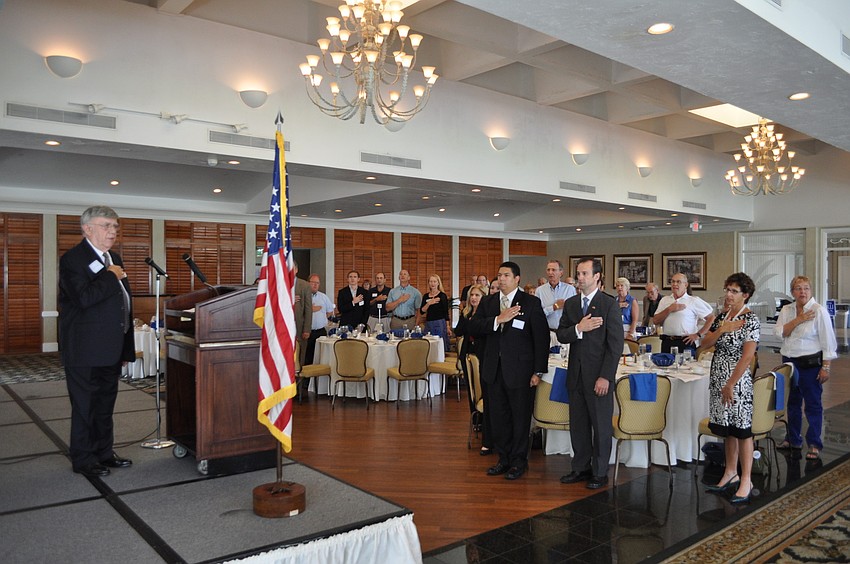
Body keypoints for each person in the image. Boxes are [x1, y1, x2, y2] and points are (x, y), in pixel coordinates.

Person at [58, 205, 135, 477]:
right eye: (106, 226)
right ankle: (84, 459)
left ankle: (104, 452)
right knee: (84, 406)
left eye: (115, 226)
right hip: (84, 349)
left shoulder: (113, 257)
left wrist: (125, 346)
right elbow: (84, 298)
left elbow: (122, 306)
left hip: (111, 349)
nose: (112, 231)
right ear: (87, 228)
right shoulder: (73, 260)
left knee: (104, 405)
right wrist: (110, 275)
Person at [468, 262, 549, 481]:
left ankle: (518, 462)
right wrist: (497, 320)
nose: (501, 279)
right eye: (499, 275)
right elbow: (473, 327)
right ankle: (503, 459)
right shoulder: (488, 302)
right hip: (494, 370)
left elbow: (541, 339)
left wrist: (538, 371)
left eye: (506, 275)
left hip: (521, 372)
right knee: (499, 417)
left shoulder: (530, 303)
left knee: (520, 418)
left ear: (517, 279)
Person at [557, 258, 623, 489]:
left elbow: (615, 345)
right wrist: (578, 329)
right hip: (575, 375)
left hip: (599, 377)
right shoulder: (572, 304)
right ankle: (580, 467)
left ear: (597, 276)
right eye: (578, 273)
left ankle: (600, 471)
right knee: (579, 425)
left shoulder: (608, 304)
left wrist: (606, 376)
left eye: (585, 273)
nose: (580, 278)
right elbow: (562, 335)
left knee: (601, 426)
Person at [699, 272, 760, 503]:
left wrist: (731, 384)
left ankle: (746, 479)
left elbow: (747, 357)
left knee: (742, 431)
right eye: (727, 290)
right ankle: (730, 472)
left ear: (745, 295)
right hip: (718, 379)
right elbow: (703, 344)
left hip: (737, 383)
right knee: (727, 429)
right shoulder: (722, 317)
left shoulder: (750, 320)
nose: (728, 295)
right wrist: (722, 329)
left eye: (734, 291)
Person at [775, 275, 837, 460]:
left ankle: (814, 443)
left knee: (812, 404)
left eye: (806, 288)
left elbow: (828, 342)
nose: (802, 292)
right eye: (798, 288)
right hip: (789, 362)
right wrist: (799, 319)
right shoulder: (787, 309)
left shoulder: (819, 311)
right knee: (792, 403)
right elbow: (780, 333)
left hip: (810, 365)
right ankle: (793, 439)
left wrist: (826, 367)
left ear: (811, 291)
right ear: (792, 292)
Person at [453, 284, 491, 455]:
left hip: (482, 354)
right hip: (468, 354)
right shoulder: (466, 313)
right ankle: (476, 420)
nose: (474, 298)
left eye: (477, 295)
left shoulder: (487, 315)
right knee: (472, 390)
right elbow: (458, 331)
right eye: (472, 295)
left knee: (485, 388)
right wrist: (465, 319)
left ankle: (486, 422)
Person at [652, 273, 715, 353]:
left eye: (678, 282)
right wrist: (669, 309)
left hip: (685, 342)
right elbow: (655, 320)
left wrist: (698, 335)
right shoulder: (665, 300)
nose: (675, 284)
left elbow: (711, 318)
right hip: (667, 341)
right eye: (673, 281)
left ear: (685, 285)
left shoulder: (693, 300)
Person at [536, 259, 577, 332]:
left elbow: (575, 312)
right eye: (548, 270)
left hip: (566, 332)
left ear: (561, 273)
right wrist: (554, 307)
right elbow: (537, 314)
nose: (550, 272)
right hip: (548, 332)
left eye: (553, 270)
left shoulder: (570, 289)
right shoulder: (540, 291)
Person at [306, 274, 334, 367]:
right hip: (307, 332)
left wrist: (321, 318)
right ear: (308, 283)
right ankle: (307, 380)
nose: (315, 285)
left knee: (321, 357)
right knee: (308, 357)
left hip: (321, 331)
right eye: (313, 282)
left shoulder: (323, 297)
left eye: (317, 283)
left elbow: (329, 311)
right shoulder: (303, 296)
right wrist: (312, 309)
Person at [419, 274, 452, 351]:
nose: (432, 283)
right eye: (431, 281)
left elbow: (445, 312)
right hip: (429, 323)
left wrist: (447, 327)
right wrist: (429, 303)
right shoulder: (426, 296)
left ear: (438, 283)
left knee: (440, 345)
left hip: (440, 323)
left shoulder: (442, 296)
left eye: (434, 281)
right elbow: (422, 311)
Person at [292, 262, 312, 365]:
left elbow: (308, 309)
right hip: (283, 328)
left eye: (292, 268)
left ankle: (300, 380)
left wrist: (307, 329)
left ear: (296, 270)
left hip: (300, 327)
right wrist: (289, 299)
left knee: (300, 358)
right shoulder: (279, 284)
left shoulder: (304, 285)